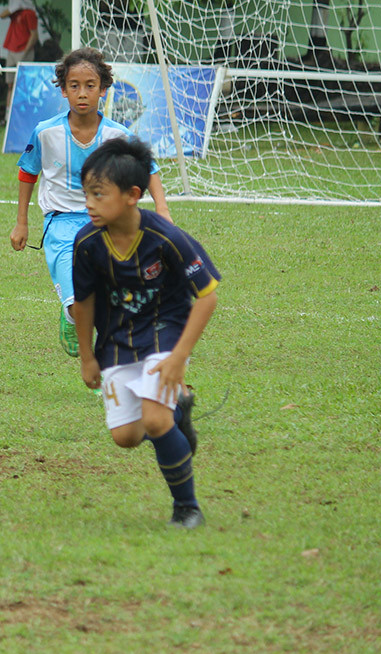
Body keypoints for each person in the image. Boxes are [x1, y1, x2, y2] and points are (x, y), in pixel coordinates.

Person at [72, 136, 220, 529]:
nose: (89, 203)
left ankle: (187, 508)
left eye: (99, 194)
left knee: (155, 422)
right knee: (125, 436)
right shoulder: (86, 243)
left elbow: (206, 296)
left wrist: (178, 358)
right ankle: (178, 410)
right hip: (117, 340)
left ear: (133, 195)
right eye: (86, 192)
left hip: (165, 331)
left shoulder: (166, 237)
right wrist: (87, 355)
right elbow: (83, 302)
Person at [10, 47, 171, 359]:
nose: (82, 93)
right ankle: (72, 317)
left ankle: (110, 359)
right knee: (78, 302)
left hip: (106, 223)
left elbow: (148, 168)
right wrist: (22, 222)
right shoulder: (45, 133)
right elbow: (27, 172)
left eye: (90, 86)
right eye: (74, 86)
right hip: (60, 223)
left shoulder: (118, 136)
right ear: (63, 89)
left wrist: (162, 209)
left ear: (103, 90)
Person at [0, 0, 38, 121]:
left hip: (24, 51)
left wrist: (26, 52)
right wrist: (12, 9)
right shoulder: (14, 12)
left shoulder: (30, 13)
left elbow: (34, 35)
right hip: (12, 50)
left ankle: (24, 117)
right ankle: (7, 117)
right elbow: (2, 15)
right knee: (10, 84)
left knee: (23, 85)